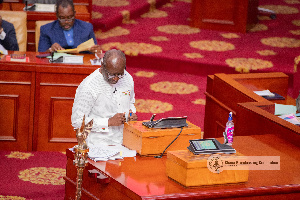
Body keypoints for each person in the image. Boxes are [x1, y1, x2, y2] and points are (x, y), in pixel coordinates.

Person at [71, 49, 138, 146]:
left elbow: (131, 102)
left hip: (125, 140)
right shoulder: (89, 86)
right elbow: (77, 122)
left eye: (119, 74)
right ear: (102, 65)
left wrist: (131, 114)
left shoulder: (127, 78)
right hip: (99, 143)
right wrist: (108, 122)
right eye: (112, 74)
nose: (116, 78)